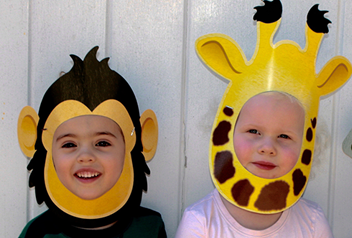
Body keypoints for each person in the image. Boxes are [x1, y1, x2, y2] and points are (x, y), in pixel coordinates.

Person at [17, 46, 166, 237]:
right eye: (69, 144)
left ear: (144, 139)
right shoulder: (37, 233)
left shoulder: (149, 228)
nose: (86, 156)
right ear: (34, 139)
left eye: (102, 143)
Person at [175, 92, 333, 237]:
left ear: (307, 147)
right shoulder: (200, 222)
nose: (268, 148)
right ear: (227, 135)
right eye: (254, 131)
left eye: (284, 136)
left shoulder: (313, 223)